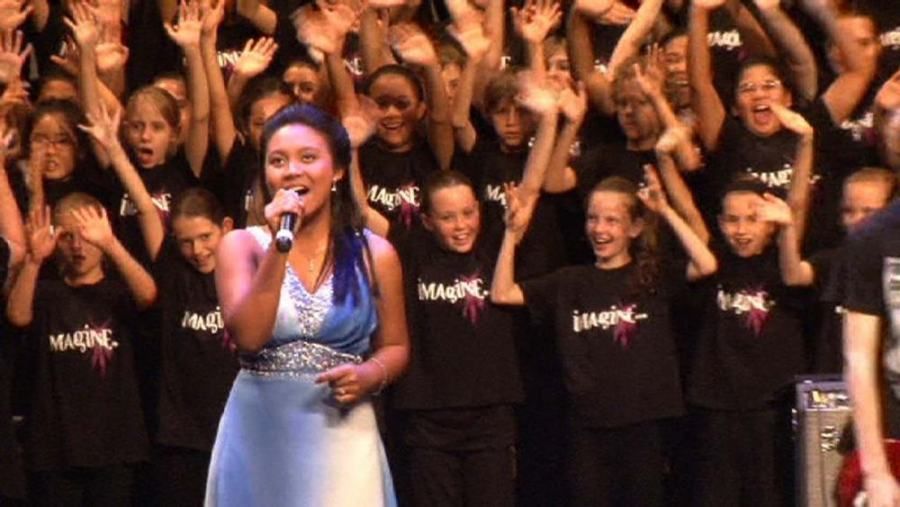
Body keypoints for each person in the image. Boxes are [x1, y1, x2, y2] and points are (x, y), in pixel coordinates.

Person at [205, 103, 409, 506]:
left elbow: (397, 346)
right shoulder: (241, 246)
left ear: (336, 170)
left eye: (308, 158)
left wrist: (370, 373)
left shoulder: (375, 253)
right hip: (260, 432)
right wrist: (279, 244)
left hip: (343, 435)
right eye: (277, 161)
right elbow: (248, 335)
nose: (291, 170)